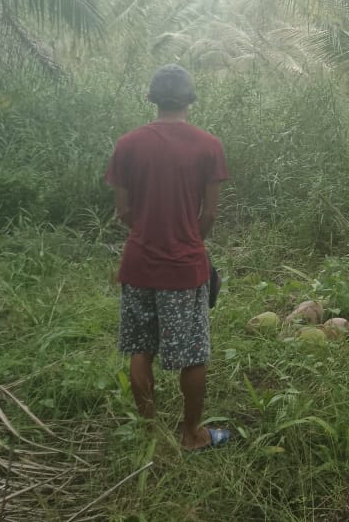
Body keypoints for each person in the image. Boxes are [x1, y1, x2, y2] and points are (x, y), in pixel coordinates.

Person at [106, 64, 231, 451]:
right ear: (191, 98)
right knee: (193, 354)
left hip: (139, 263)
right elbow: (208, 213)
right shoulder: (209, 145)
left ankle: (150, 435)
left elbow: (123, 211)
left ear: (152, 98)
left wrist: (148, 232)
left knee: (140, 349)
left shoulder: (128, 144)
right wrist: (190, 239)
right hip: (185, 266)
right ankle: (191, 434)